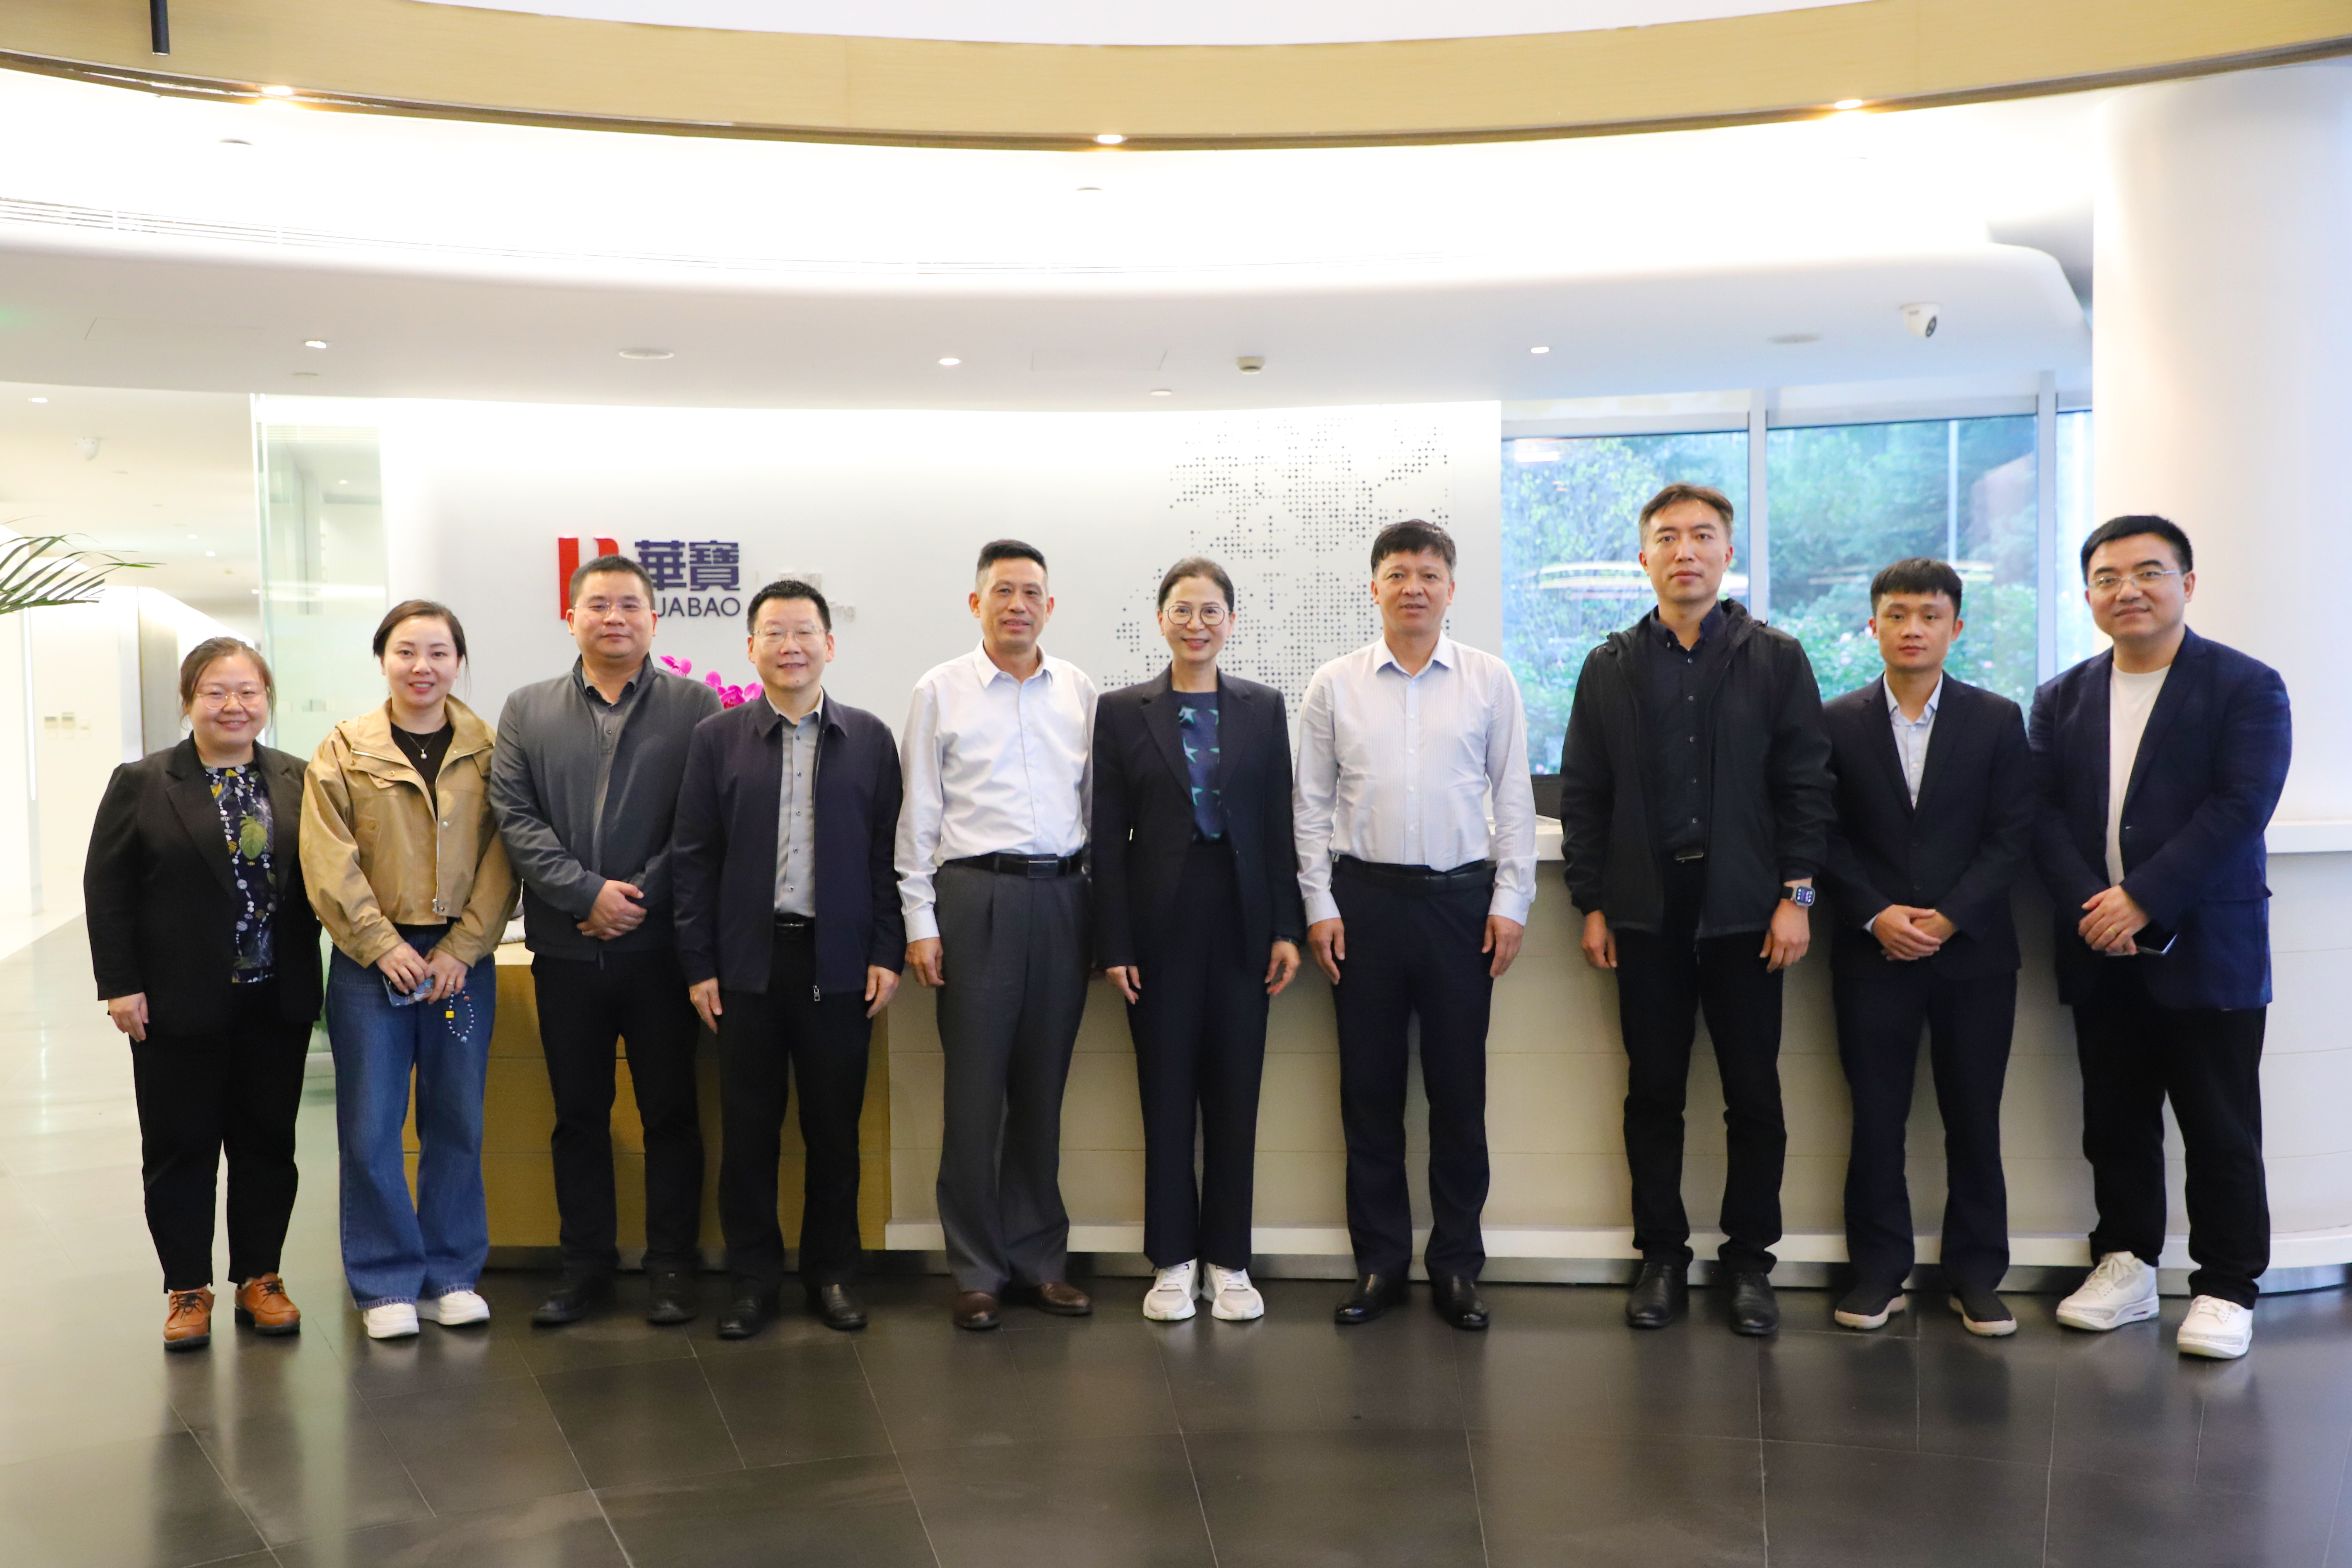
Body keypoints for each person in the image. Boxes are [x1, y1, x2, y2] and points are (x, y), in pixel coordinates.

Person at [1558, 482, 1833, 1337]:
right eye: (1668, 537)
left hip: (1747, 910)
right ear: (1642, 557)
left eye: (1702, 536)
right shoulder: (1608, 665)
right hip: (1645, 911)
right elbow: (1584, 793)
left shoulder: (1775, 658)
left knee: (1753, 1093)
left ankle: (1749, 1262)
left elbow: (1805, 785)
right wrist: (1591, 901)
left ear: (1726, 554)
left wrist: (1796, 894)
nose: (1685, 551)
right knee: (1653, 1091)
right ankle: (1661, 1256)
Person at [2030, 516, 2289, 1361]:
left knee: (2219, 1125)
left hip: (2205, 943)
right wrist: (2095, 906)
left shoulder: (2244, 685)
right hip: (2095, 943)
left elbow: (2240, 805)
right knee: (2113, 1118)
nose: (2127, 590)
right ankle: (2126, 1262)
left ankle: (2225, 1284)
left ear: (2186, 583)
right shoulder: (2060, 696)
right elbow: (2039, 813)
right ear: (2086, 595)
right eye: (2107, 577)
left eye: (2148, 571)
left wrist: (2141, 898)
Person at [1296, 519, 1536, 1332]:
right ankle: (1379, 1263)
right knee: (1368, 1093)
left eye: (1428, 574)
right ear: (1374, 587)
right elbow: (1309, 806)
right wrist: (1319, 905)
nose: (1413, 588)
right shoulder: (1334, 683)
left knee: (1457, 1094)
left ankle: (1457, 1265)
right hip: (1360, 904)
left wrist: (1511, 901)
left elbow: (1512, 798)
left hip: (1458, 906)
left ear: (1450, 589)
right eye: (1398, 573)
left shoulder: (1488, 679)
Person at [490, 554, 721, 1329]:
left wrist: (633, 899)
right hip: (564, 953)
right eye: (598, 604)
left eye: (629, 604)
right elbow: (515, 816)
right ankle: (584, 1266)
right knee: (578, 1116)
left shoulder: (695, 706)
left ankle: (671, 1265)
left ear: (654, 619)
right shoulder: (527, 708)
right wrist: (585, 893)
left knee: (671, 1116)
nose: (613, 617)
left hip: (660, 956)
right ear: (572, 618)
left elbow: (699, 823)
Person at [673, 579, 904, 1339]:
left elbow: (887, 856)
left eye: (804, 631)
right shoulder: (717, 739)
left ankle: (832, 1274)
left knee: (834, 1131)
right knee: (749, 1134)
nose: (790, 645)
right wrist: (699, 963)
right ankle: (752, 1282)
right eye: (774, 632)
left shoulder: (869, 738)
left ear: (829, 644)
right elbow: (693, 858)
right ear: (751, 648)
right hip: (746, 963)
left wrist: (886, 950)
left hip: (838, 963)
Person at [84, 638, 323, 1351]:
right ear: (188, 700)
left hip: (275, 997)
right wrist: (120, 984)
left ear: (266, 700)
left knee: (267, 1143)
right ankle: (187, 1287)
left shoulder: (299, 778)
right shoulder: (143, 782)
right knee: (180, 1146)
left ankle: (260, 1277)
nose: (233, 705)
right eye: (216, 691)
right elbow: (107, 887)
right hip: (177, 1000)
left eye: (248, 691)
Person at [1818, 559, 2033, 1338]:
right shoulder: (1833, 720)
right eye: (1897, 614)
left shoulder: (1996, 718)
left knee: (1973, 1116)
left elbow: (2012, 833)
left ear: (1955, 627)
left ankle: (1975, 1274)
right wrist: (1874, 913)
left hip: (1973, 954)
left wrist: (1948, 917)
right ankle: (1878, 1270)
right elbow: (1821, 833)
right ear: (1871, 625)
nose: (1912, 629)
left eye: (1929, 615)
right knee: (1875, 1117)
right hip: (1869, 951)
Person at [1095, 557, 1305, 1323]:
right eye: (1182, 610)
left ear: (1231, 622)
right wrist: (1114, 943)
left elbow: (1277, 824)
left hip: (1243, 922)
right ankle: (1172, 1261)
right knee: (1164, 1097)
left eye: (1210, 611)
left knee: (1234, 1097)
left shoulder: (1262, 706)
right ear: (1161, 620)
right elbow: (1106, 838)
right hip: (1159, 927)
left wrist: (1286, 927)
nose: (1196, 624)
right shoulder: (1122, 710)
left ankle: (1229, 1261)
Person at [304, 600, 518, 1341]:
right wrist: (381, 943)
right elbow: (326, 857)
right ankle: (386, 1280)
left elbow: (506, 855)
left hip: (461, 966)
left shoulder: (491, 749)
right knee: (370, 1125)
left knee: (456, 1117)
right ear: (383, 659)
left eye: (438, 652)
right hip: (373, 966)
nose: (421, 666)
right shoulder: (344, 748)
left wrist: (463, 948)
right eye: (405, 651)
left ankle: (451, 1274)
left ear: (458, 661)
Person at [898, 539, 1098, 1331]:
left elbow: (1097, 811)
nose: (1018, 604)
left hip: (1063, 898)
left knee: (1042, 1093)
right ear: (975, 603)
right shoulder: (939, 689)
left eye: (1031, 592)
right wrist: (920, 921)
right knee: (975, 1095)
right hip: (973, 898)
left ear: (1050, 605)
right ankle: (977, 1268)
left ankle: (1039, 1261)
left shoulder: (1078, 690)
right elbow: (918, 816)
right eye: (1003, 591)